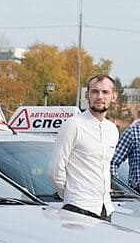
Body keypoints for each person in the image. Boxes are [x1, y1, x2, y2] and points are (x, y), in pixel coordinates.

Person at [48, 74, 120, 219]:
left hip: (106, 209)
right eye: (95, 91)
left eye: (105, 92)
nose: (100, 96)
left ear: (114, 96)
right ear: (87, 95)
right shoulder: (73, 125)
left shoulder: (112, 130)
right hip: (77, 208)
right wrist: (72, 195)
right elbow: (55, 171)